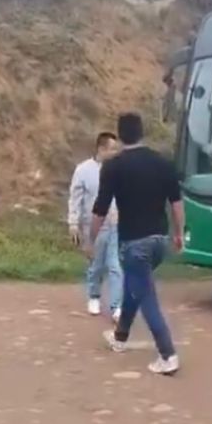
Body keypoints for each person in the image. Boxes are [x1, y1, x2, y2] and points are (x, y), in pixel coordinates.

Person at [89, 113, 183, 376]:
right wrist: (179, 233)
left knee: (145, 295)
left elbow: (100, 209)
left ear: (119, 137)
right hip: (159, 242)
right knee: (136, 285)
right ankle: (120, 337)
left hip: (134, 243)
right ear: (142, 133)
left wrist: (91, 240)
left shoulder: (114, 166)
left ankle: (168, 355)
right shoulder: (163, 163)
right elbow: (177, 202)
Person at [68, 132, 122, 321]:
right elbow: (75, 199)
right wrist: (73, 223)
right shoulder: (83, 170)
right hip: (93, 225)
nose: (116, 152)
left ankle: (116, 306)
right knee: (96, 265)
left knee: (115, 266)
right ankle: (94, 295)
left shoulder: (119, 169)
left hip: (116, 224)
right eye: (112, 149)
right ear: (101, 149)